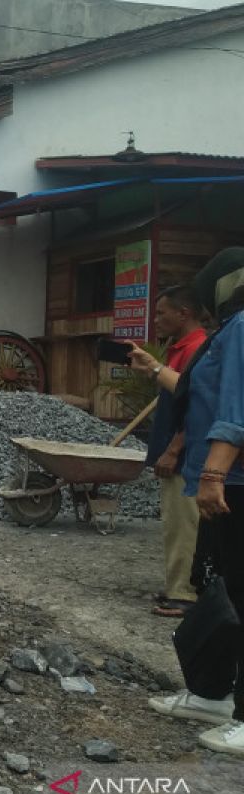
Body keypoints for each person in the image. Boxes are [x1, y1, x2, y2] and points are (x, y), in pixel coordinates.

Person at [134, 247, 244, 757]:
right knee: (222, 591)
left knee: (241, 593)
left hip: (233, 480)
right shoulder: (227, 331)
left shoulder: (242, 326)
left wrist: (214, 473)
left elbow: (237, 408)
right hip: (218, 479)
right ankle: (211, 694)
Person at [141, 286, 207, 618]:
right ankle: (176, 585)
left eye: (162, 313)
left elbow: (197, 407)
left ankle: (185, 593)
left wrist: (173, 450)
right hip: (176, 451)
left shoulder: (197, 349)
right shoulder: (179, 349)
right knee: (174, 522)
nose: (156, 320)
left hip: (186, 454)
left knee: (185, 524)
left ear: (184, 313)